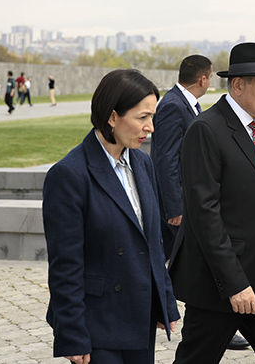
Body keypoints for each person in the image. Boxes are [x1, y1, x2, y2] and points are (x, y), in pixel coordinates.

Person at [169, 42, 255, 364]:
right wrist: (234, 283)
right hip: (220, 286)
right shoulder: (206, 130)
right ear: (238, 85)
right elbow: (204, 215)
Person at [43, 69, 179, 364]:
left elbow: (152, 241)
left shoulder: (143, 163)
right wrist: (72, 334)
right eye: (142, 117)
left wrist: (164, 302)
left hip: (139, 315)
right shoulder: (68, 175)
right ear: (112, 116)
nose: (151, 127)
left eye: (152, 117)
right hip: (97, 324)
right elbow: (65, 265)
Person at [150, 54, 213, 260]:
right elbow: (166, 159)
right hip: (175, 204)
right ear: (203, 79)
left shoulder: (188, 104)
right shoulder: (173, 106)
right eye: (210, 77)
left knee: (166, 259)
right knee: (190, 257)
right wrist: (174, 207)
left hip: (185, 200)